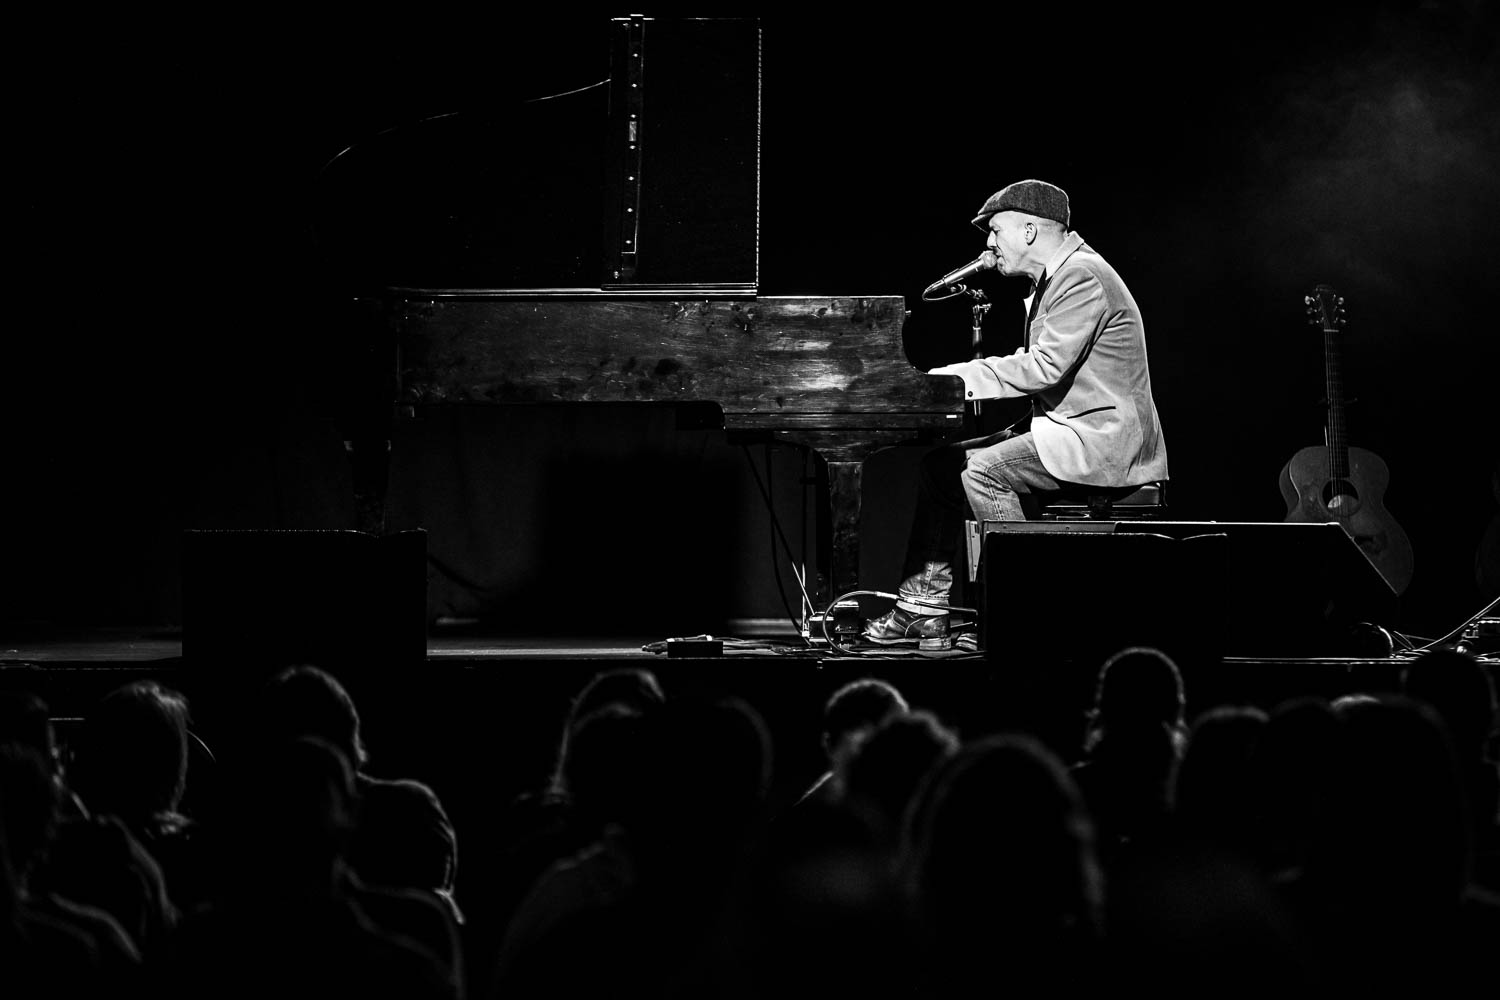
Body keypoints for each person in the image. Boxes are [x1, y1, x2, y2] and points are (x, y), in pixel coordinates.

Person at [865, 179, 1168, 645]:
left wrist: (953, 379)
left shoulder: (1081, 275)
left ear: (1029, 230)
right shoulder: (1057, 278)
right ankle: (923, 607)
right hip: (1069, 430)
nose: (988, 244)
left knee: (983, 472)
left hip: (1101, 440)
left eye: (995, 231)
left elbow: (1045, 367)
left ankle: (1020, 613)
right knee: (941, 468)